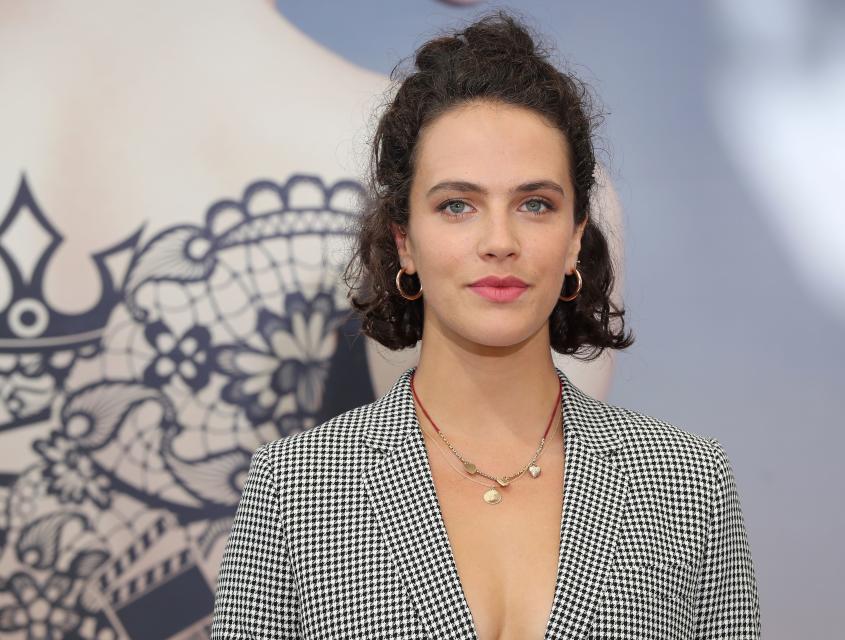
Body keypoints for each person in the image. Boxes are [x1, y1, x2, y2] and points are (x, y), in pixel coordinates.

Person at [211, 9, 760, 639]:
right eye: (457, 205)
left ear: (576, 237)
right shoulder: (297, 487)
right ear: (405, 242)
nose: (500, 241)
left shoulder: (687, 484)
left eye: (534, 204)